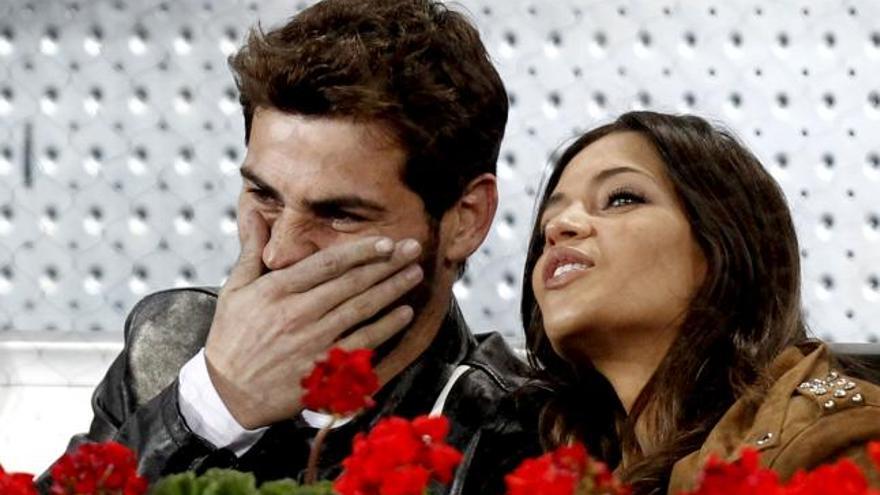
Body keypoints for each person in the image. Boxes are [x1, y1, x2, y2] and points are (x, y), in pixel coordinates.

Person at [49, 1, 540, 493]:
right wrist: (210, 407)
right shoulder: (171, 343)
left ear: (465, 220)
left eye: (339, 214)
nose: (278, 254)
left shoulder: (515, 431)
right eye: (263, 195)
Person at [519, 111, 880, 494]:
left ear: (721, 250)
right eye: (547, 224)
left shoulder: (840, 439)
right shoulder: (563, 466)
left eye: (621, 198)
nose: (559, 227)